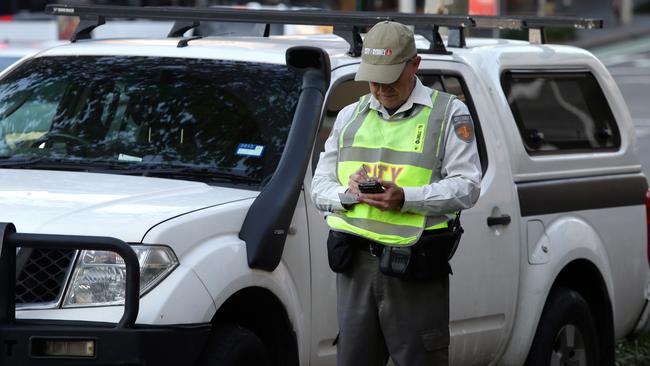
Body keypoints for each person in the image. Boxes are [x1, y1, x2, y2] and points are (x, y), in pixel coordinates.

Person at [310, 20, 482, 366]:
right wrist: (349, 193)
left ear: (414, 65)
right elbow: (319, 187)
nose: (380, 88)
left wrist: (406, 198)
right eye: (374, 78)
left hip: (414, 268)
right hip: (355, 266)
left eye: (390, 77)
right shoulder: (349, 116)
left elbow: (467, 186)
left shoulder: (448, 113)